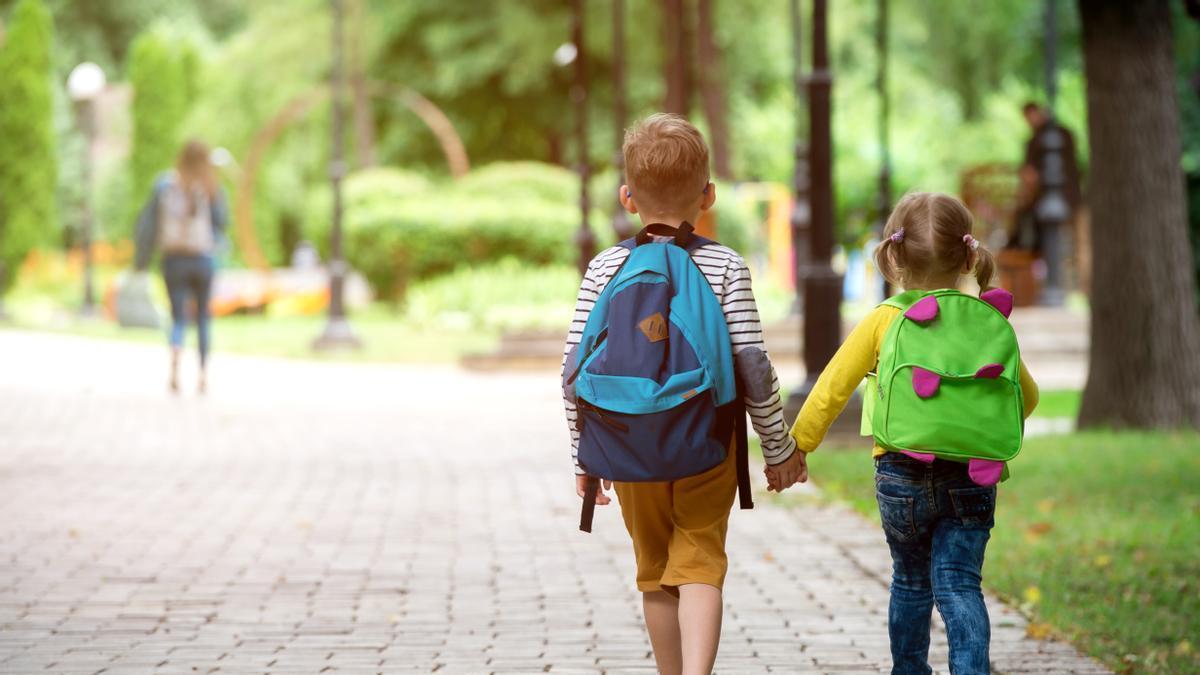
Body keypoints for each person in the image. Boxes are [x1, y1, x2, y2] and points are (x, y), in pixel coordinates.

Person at [561, 114, 800, 675]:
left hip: (625, 444)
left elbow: (572, 371)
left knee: (654, 569)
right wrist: (777, 446)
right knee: (699, 563)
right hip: (707, 442)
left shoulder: (603, 267)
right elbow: (752, 367)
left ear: (627, 198)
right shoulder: (725, 266)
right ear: (708, 195)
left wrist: (584, 455)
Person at [769, 192, 1040, 673]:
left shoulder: (884, 318)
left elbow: (832, 387)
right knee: (960, 585)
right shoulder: (987, 322)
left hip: (900, 471)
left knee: (911, 581)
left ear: (894, 255)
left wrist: (796, 447)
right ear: (968, 254)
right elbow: (1028, 395)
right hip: (972, 476)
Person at [134, 139, 228, 394]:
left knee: (178, 317)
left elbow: (148, 225)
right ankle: (202, 375)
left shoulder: (165, 183)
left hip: (174, 259)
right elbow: (221, 223)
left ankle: (175, 367)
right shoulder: (210, 186)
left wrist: (141, 259)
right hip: (202, 259)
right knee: (203, 318)